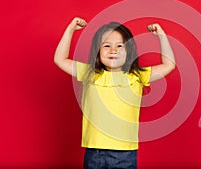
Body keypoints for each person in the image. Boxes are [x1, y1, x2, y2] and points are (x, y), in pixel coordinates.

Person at [54, 17, 176, 169]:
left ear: (129, 50)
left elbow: (169, 65)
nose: (113, 50)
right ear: (97, 51)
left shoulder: (137, 75)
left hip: (125, 153)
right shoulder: (89, 73)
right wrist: (70, 29)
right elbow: (60, 59)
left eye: (120, 46)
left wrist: (161, 36)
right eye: (106, 45)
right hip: (94, 151)